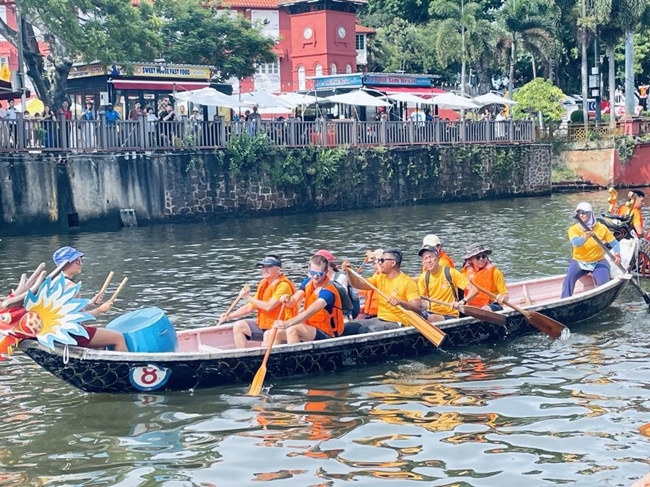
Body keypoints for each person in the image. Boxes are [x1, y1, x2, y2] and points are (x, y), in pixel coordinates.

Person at [52, 246, 128, 351]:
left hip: (58, 332)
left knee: (101, 341)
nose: (81, 264)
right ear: (66, 264)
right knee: (118, 337)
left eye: (80, 260)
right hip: (73, 333)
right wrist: (100, 310)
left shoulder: (53, 283)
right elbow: (78, 317)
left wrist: (90, 303)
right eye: (77, 261)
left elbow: (65, 310)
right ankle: (124, 367)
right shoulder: (72, 287)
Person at [219, 255, 295, 349]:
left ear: (278, 269)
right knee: (239, 326)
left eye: (269, 267)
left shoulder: (283, 286)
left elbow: (269, 307)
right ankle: (243, 357)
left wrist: (248, 297)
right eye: (263, 267)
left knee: (268, 334)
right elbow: (250, 307)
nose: (265, 270)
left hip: (280, 327)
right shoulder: (263, 283)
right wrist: (229, 316)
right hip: (264, 325)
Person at [342, 249, 421, 334]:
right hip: (380, 318)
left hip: (398, 322)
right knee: (348, 327)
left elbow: (418, 308)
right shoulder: (379, 278)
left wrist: (400, 302)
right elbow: (357, 284)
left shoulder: (407, 282)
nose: (379, 263)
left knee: (367, 330)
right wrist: (349, 272)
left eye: (382, 260)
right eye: (379, 260)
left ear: (393, 263)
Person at [273, 254, 344, 344]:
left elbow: (309, 312)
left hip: (328, 334)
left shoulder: (328, 291)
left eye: (319, 274)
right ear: (309, 270)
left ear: (326, 272)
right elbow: (293, 301)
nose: (315, 277)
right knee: (274, 332)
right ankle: (274, 357)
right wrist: (287, 299)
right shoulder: (308, 282)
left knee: (293, 329)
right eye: (313, 273)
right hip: (310, 328)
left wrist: (288, 323)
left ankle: (294, 357)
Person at [561, 202, 621, 298]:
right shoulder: (573, 229)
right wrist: (584, 237)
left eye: (584, 212)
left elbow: (614, 243)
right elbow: (576, 243)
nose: (581, 215)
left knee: (603, 284)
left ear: (590, 214)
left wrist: (617, 255)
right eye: (579, 213)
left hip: (598, 261)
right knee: (568, 279)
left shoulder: (601, 228)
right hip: (579, 261)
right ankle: (564, 300)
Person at [418, 244, 478, 322]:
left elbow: (474, 290)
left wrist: (462, 302)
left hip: (450, 315)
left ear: (437, 258)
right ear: (423, 262)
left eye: (431, 257)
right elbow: (420, 300)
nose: (429, 261)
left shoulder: (450, 273)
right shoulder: (423, 277)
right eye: (425, 258)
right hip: (432, 312)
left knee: (431, 318)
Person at [460, 243, 508, 310]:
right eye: (478, 257)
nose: (481, 259)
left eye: (483, 256)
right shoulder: (464, 274)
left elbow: (505, 294)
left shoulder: (495, 272)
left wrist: (503, 298)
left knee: (485, 309)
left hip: (492, 305)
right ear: (470, 260)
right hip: (470, 306)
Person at [314, 248, 360, 319]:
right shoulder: (317, 278)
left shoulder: (341, 277)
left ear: (327, 264)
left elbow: (339, 298)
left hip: (340, 315)